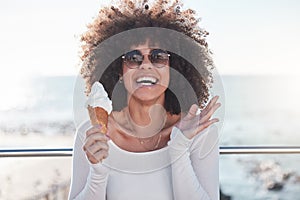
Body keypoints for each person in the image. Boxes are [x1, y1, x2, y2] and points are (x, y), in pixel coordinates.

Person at [69, 0, 221, 199]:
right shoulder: (92, 135)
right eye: (133, 57)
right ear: (119, 70)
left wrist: (179, 147)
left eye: (158, 56)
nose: (146, 65)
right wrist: (98, 171)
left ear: (173, 68)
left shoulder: (199, 131)